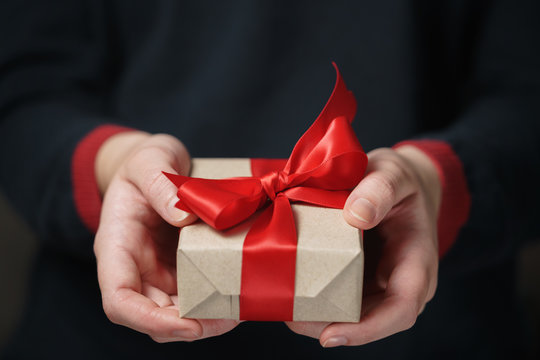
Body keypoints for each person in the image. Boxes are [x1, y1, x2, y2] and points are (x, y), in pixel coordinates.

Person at [1, 1, 539, 359]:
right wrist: (114, 164)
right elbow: (25, 89)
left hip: (436, 334)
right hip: (100, 336)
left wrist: (433, 179)